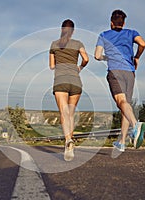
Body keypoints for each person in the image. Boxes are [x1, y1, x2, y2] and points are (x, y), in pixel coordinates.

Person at [94, 10, 145, 152]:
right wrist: (137, 57)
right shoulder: (131, 32)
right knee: (125, 105)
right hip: (130, 72)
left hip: (115, 72)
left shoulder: (104, 35)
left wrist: (107, 57)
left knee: (121, 102)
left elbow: (97, 56)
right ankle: (122, 142)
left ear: (111, 22)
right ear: (123, 23)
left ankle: (135, 125)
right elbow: (143, 43)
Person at [49, 19, 89, 161]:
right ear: (73, 31)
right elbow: (86, 58)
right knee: (70, 114)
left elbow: (52, 66)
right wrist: (79, 67)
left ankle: (68, 141)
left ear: (61, 29)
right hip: (76, 81)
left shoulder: (54, 44)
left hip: (60, 81)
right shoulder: (78, 44)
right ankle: (70, 141)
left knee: (64, 113)